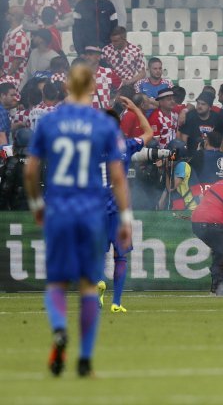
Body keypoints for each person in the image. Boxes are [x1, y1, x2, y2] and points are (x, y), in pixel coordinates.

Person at [24, 64, 132, 378]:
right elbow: (117, 179)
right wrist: (125, 217)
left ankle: (59, 329)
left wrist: (35, 204)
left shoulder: (50, 121)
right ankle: (84, 360)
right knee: (88, 286)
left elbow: (30, 171)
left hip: (58, 208)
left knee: (57, 283)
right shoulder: (104, 125)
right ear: (93, 86)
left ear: (68, 86)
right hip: (92, 212)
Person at [96, 96, 153, 313]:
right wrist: (136, 109)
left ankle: (99, 281)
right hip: (119, 212)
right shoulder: (124, 146)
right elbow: (149, 134)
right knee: (121, 257)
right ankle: (116, 302)